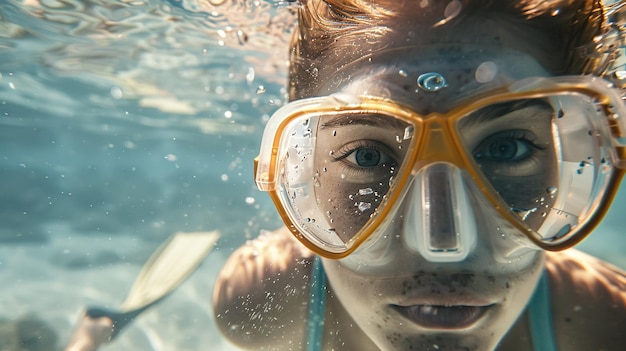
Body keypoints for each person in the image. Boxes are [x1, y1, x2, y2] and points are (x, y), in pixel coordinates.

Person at [213, 0, 626, 350]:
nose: (444, 244)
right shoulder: (258, 307)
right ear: (298, 177)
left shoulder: (609, 324)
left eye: (506, 149)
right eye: (368, 157)